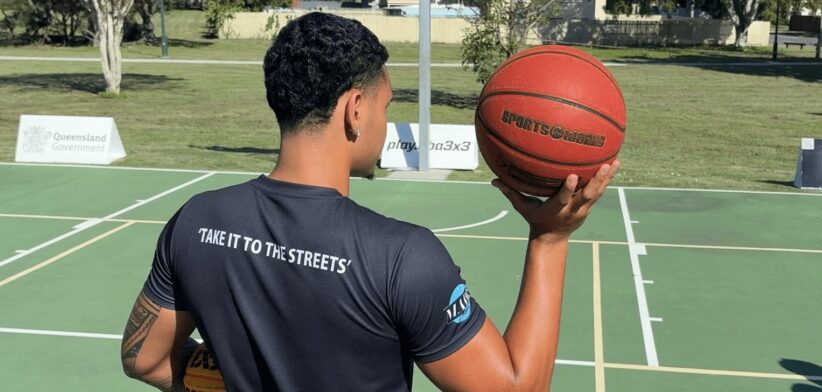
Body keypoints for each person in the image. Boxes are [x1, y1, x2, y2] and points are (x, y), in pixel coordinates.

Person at [120, 12, 619, 392]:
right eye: (386, 106)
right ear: (355, 110)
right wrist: (550, 240)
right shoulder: (403, 257)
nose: (385, 124)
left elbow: (143, 357)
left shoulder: (198, 220)